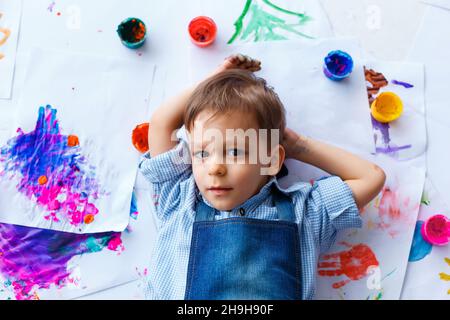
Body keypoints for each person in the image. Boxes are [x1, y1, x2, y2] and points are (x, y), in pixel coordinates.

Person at [140, 54, 386, 300]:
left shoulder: (305, 211)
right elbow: (162, 123)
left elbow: (371, 177)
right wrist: (214, 82)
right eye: (202, 153)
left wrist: (298, 145)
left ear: (270, 159)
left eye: (235, 151)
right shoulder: (179, 198)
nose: (215, 168)